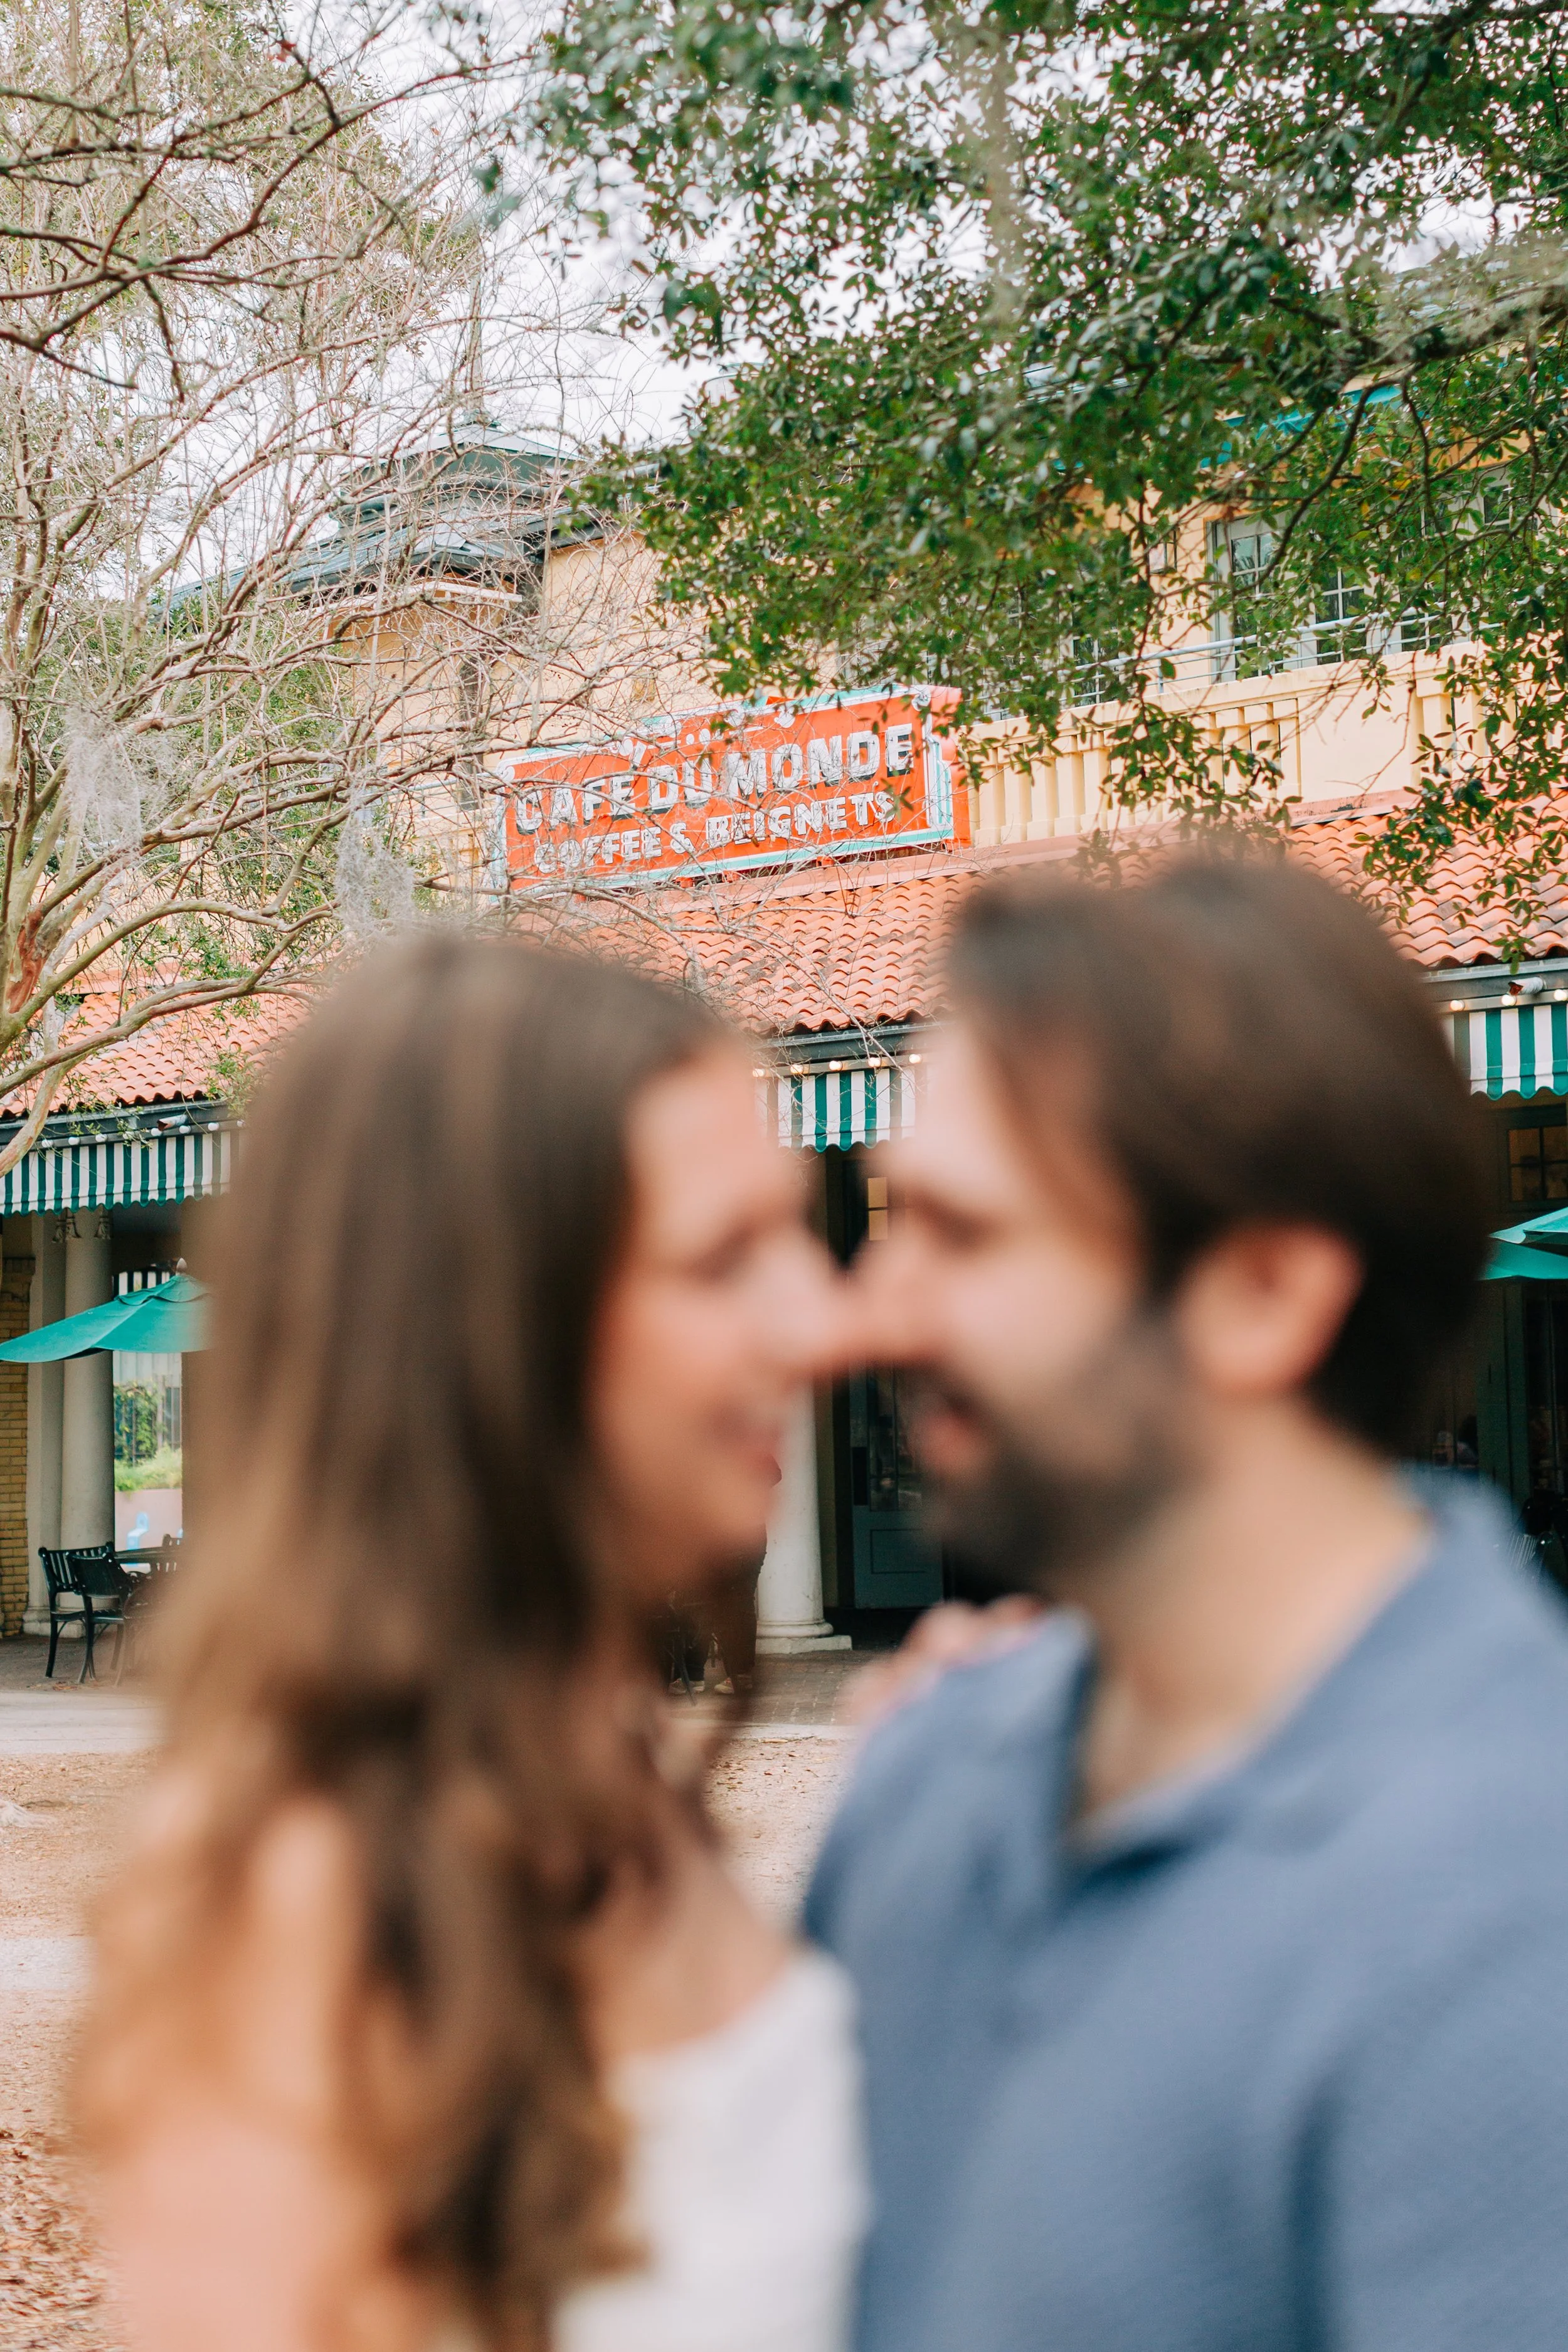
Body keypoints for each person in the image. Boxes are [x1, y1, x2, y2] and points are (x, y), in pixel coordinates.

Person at [808, 857, 1568, 2352]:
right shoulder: (920, 1778)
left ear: (1263, 1292)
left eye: (963, 1233)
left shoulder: (1509, 1904)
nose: (867, 1312)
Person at [80, 933, 866, 2352]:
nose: (820, 1323)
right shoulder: (303, 1899)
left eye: (798, 1239)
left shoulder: (615, 1763)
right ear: (489, 1325)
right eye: (722, 1260)